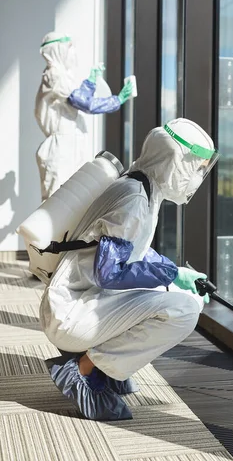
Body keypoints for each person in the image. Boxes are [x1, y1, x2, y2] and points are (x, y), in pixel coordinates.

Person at [39, 118, 219, 421]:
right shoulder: (134, 200)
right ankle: (83, 369)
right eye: (197, 167)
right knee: (184, 311)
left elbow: (136, 251)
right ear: (176, 161)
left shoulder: (142, 188)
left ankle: (107, 368)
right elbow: (109, 272)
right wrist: (171, 275)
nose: (199, 176)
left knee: (177, 294)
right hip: (72, 312)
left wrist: (175, 274)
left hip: (81, 300)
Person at [35, 32, 134, 201]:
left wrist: (90, 82)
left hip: (70, 145)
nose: (72, 52)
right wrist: (117, 100)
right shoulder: (54, 75)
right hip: (61, 149)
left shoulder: (62, 77)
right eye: (69, 47)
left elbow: (76, 98)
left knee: (73, 202)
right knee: (56, 202)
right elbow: (82, 102)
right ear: (58, 50)